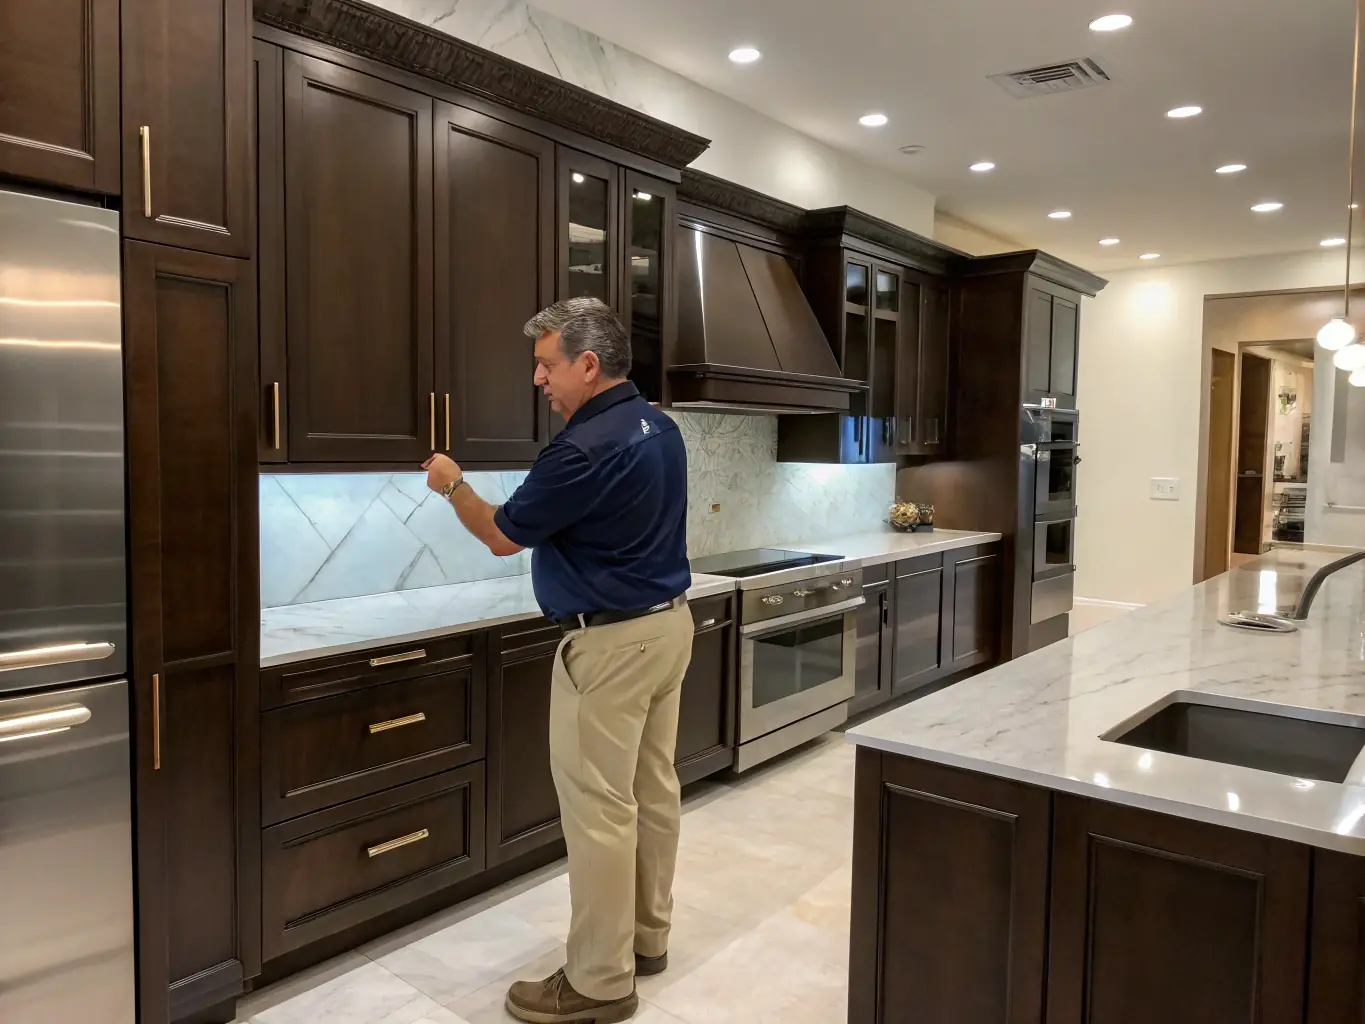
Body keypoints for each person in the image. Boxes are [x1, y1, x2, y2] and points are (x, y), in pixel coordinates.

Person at [422, 297, 693, 1024]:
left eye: (546, 366)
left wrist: (453, 484)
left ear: (587, 363)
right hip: (668, 628)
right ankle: (646, 938)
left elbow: (503, 536)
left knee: (600, 812)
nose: (540, 381)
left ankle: (599, 981)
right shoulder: (659, 428)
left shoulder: (580, 448)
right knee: (652, 790)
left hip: (608, 645)